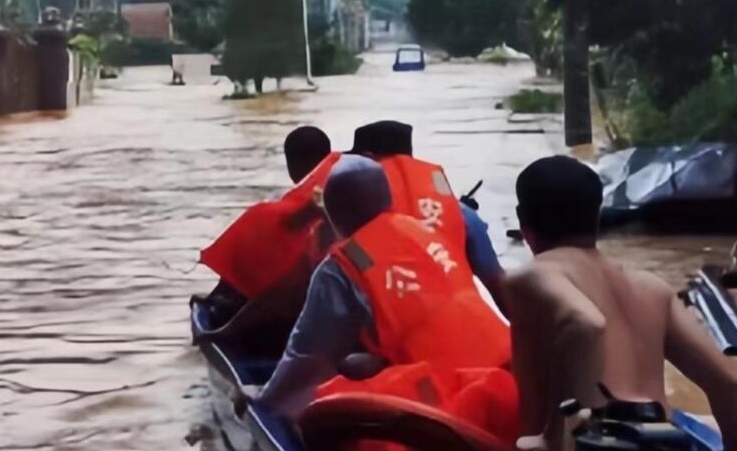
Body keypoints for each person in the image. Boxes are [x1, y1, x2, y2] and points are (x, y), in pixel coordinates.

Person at [257, 155, 516, 447]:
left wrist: (264, 403)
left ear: (333, 213)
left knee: (328, 405)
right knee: (360, 364)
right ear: (387, 199)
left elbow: (306, 360)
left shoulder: (344, 264)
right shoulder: (426, 232)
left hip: (449, 406)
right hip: (510, 383)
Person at [506, 156, 737, 451]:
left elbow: (586, 324)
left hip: (599, 443)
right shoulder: (651, 287)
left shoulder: (530, 277)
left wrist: (555, 434)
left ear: (522, 219)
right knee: (702, 423)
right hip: (661, 441)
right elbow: (732, 387)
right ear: (596, 214)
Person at [198, 126, 343, 341]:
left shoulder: (266, 216)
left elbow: (283, 290)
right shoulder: (356, 203)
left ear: (291, 165)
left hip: (287, 324)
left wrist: (226, 328)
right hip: (335, 323)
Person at [348, 120, 507, 314]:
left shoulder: (352, 219)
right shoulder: (463, 215)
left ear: (366, 159)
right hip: (461, 326)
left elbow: (355, 270)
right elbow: (499, 285)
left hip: (391, 328)